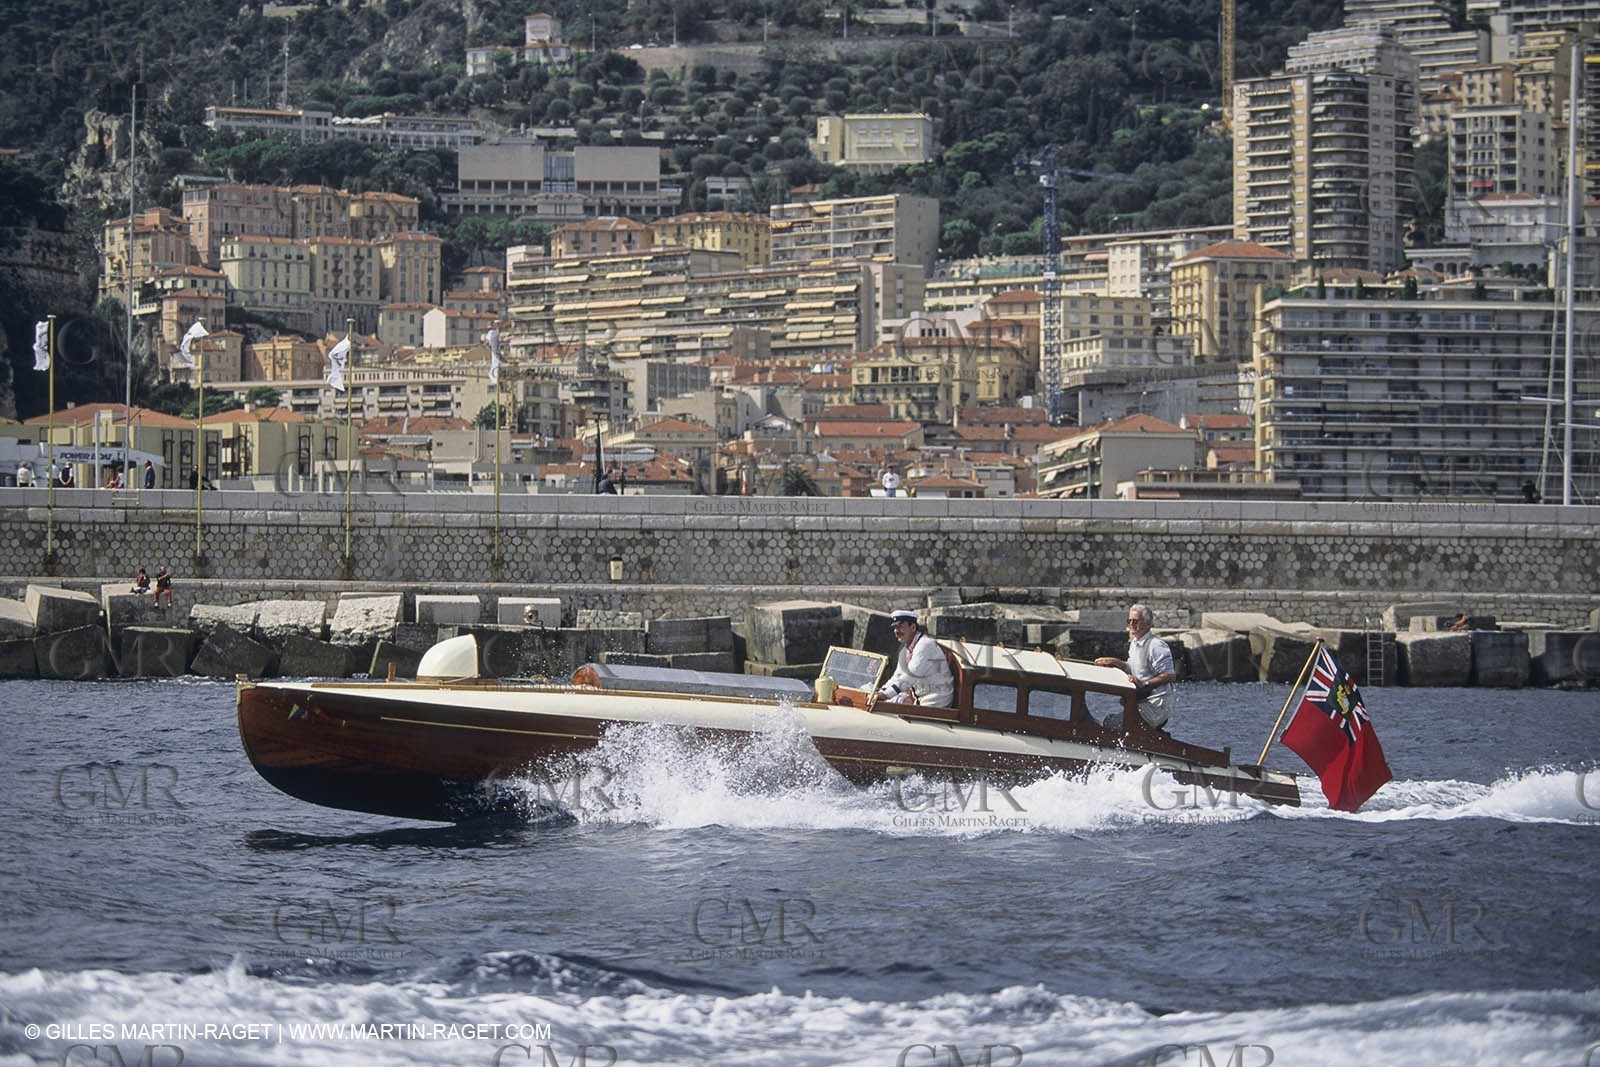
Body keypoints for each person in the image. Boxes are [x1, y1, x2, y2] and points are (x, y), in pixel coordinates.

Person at [1095, 603, 1176, 731]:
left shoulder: (1156, 646)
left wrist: (1145, 683)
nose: (1131, 624)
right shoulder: (1134, 643)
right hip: (1140, 701)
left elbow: (1170, 676)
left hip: (1155, 706)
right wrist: (1114, 662)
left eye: (1136, 621)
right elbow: (1131, 668)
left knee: (1112, 726)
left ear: (1148, 624)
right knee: (1108, 721)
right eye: (1129, 621)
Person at [874, 609, 955, 708]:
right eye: (895, 627)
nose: (896, 631)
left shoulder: (925, 645)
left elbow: (910, 676)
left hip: (936, 703)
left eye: (900, 627)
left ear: (913, 627)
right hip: (919, 699)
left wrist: (886, 695)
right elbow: (898, 676)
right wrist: (880, 691)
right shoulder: (907, 649)